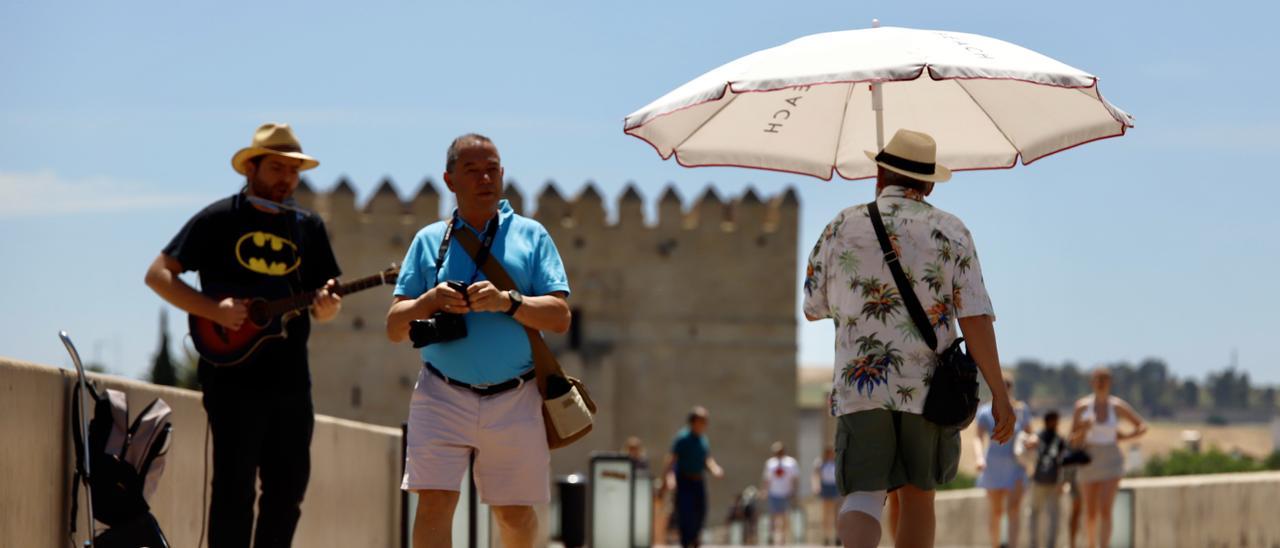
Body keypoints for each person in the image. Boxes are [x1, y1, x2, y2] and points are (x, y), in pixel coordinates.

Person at [803, 128, 1015, 548]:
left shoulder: (841, 225)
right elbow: (975, 317)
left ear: (879, 174)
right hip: (929, 392)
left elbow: (814, 306)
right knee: (918, 498)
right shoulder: (951, 230)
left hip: (860, 387)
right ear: (929, 182)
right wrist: (999, 394)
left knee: (863, 495)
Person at [144, 122, 342, 547]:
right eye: (276, 167)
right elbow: (158, 275)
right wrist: (212, 310)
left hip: (292, 383)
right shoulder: (219, 219)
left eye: (293, 170)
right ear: (250, 168)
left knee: (286, 495)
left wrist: (327, 309)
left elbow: (324, 302)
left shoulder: (308, 227)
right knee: (233, 493)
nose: (286, 178)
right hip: (232, 381)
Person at [386, 134, 572, 548]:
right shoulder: (429, 240)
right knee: (433, 504)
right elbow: (395, 326)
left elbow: (559, 318)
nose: (485, 178)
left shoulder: (532, 236)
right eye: (472, 170)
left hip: (516, 396)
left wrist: (508, 302)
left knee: (516, 516)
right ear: (450, 180)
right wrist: (430, 300)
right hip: (440, 393)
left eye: (492, 169)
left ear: (503, 175)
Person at [1071, 368, 1147, 548]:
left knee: (1105, 509)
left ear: (1110, 382)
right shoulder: (1082, 406)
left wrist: (1124, 437)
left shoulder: (1117, 405)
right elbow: (1071, 439)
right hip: (1089, 459)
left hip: (1112, 459)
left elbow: (1142, 426)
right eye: (1097, 379)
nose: (1100, 383)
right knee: (1090, 512)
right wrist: (1083, 429)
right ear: (1092, 382)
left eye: (1104, 379)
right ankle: (1091, 544)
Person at [974, 376, 1035, 548]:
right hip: (993, 464)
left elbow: (1031, 432)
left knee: (1014, 509)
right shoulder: (985, 412)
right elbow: (978, 438)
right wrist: (979, 457)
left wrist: (1032, 440)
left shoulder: (1021, 410)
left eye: (1006, 386)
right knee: (996, 511)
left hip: (1016, 464)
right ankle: (995, 545)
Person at [663, 406, 725, 548]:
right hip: (684, 480)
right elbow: (672, 459)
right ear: (693, 421)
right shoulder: (682, 438)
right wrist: (669, 478)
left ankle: (695, 539)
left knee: (700, 512)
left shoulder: (703, 439)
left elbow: (707, 458)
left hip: (698, 481)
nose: (705, 424)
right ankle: (686, 543)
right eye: (702, 420)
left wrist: (715, 469)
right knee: (685, 514)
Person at [1028, 411, 1069, 548]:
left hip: (1039, 479)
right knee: (1053, 516)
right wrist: (1062, 481)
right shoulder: (1059, 439)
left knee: (1035, 513)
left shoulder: (1038, 437)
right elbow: (1062, 462)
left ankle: (1034, 544)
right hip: (1053, 481)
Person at [761, 441, 799, 545]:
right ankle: (772, 536)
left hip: (786, 493)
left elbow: (795, 478)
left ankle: (783, 538)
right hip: (774, 492)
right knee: (773, 516)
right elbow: (766, 479)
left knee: (785, 516)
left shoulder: (791, 463)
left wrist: (794, 491)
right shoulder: (770, 463)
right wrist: (764, 491)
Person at [812, 445, 840, 546]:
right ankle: (826, 537)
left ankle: (837, 536)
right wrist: (816, 486)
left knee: (836, 514)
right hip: (825, 488)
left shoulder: (837, 462)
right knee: (826, 514)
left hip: (835, 488)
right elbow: (816, 475)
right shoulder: (820, 463)